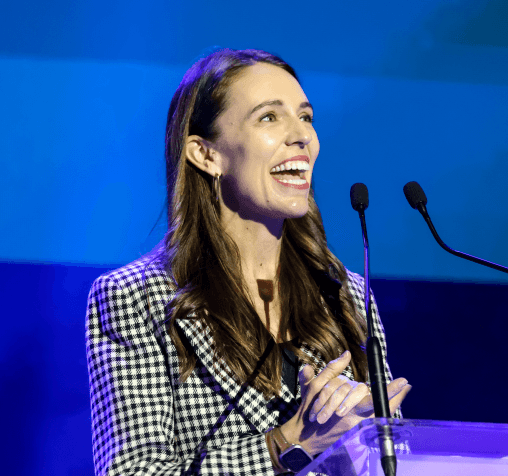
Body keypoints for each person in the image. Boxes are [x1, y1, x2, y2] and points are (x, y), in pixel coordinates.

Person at [85, 48, 410, 476]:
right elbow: (133, 471)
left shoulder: (345, 293)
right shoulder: (136, 298)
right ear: (205, 154)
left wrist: (370, 433)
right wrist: (289, 443)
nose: (302, 137)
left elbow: (395, 459)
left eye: (306, 117)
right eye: (269, 118)